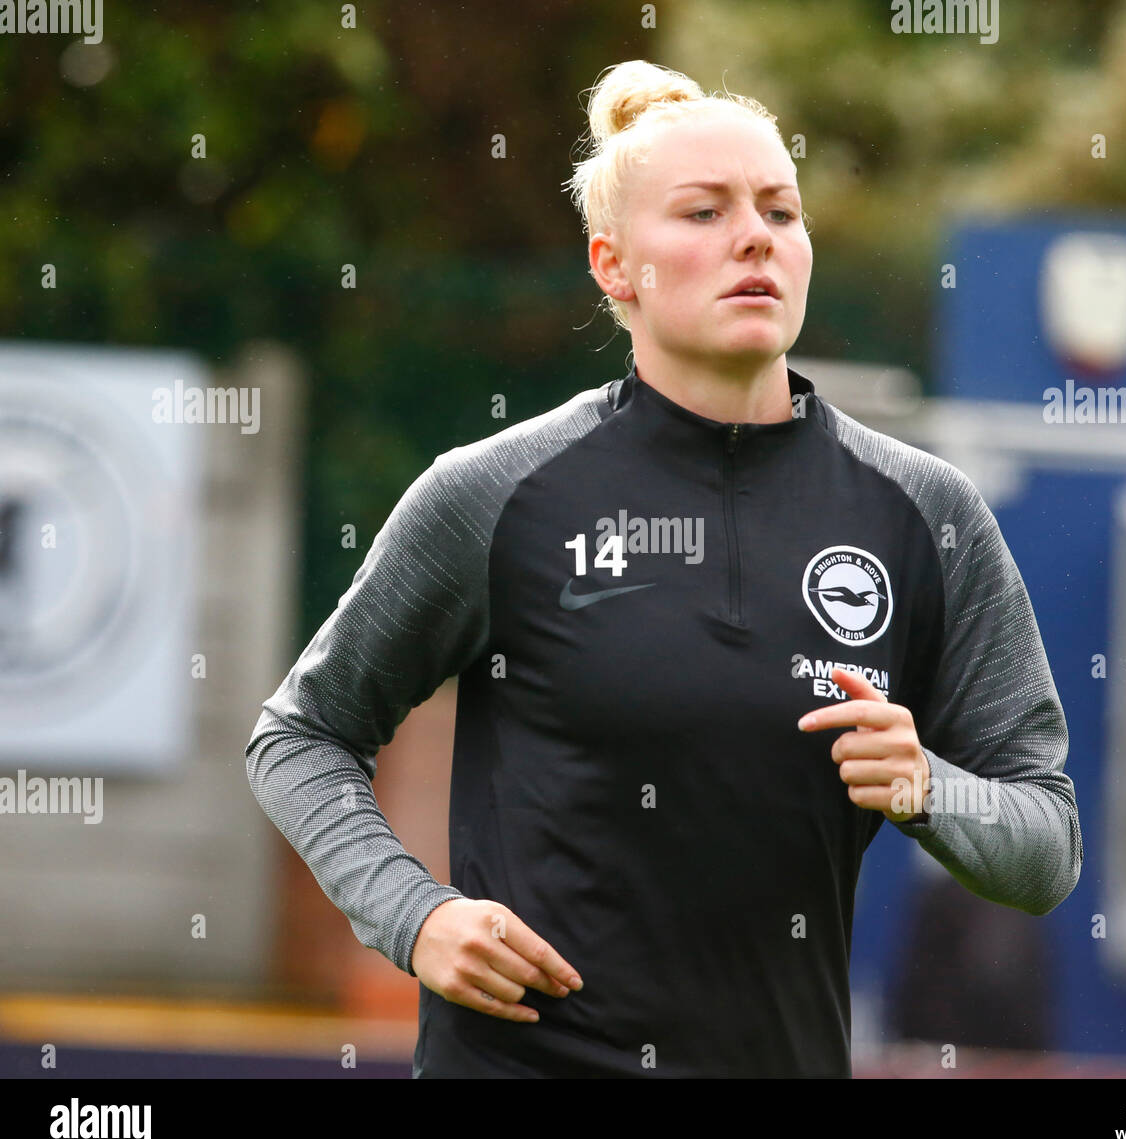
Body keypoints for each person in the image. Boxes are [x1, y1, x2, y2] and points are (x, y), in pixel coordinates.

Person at [245, 59, 1083, 1078]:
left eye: (781, 209)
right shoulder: (496, 493)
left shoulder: (924, 513)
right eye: (703, 212)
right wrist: (413, 915)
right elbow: (301, 734)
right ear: (612, 266)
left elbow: (1045, 844)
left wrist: (926, 787)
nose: (755, 237)